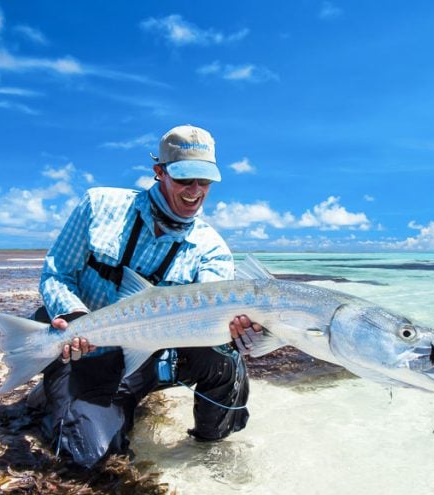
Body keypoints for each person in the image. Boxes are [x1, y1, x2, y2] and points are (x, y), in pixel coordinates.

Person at [32, 124, 262, 469]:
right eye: (185, 179)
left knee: (225, 359)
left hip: (151, 354)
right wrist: (75, 317)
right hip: (85, 352)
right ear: (160, 172)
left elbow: (216, 317)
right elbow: (57, 274)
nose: (195, 192)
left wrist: (243, 334)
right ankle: (59, 396)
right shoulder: (99, 206)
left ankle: (206, 451)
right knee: (94, 459)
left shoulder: (212, 248)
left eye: (205, 181)